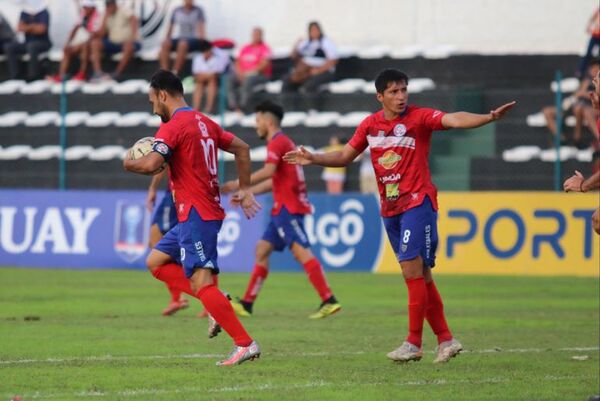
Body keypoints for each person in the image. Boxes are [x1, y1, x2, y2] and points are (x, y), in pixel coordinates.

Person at [284, 69, 516, 363]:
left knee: (410, 270)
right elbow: (344, 157)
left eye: (404, 90)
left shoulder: (419, 118)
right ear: (380, 96)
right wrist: (314, 158)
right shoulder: (370, 125)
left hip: (418, 202)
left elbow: (453, 118)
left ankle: (413, 342)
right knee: (421, 274)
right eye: (394, 92)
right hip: (389, 208)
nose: (401, 96)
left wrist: (489, 117)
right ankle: (445, 339)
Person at [124, 69, 261, 366]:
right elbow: (242, 148)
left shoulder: (173, 127)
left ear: (162, 95)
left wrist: (128, 162)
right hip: (199, 213)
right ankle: (216, 300)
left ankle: (244, 343)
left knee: (202, 283)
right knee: (156, 261)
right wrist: (245, 188)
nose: (153, 108)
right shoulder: (205, 121)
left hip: (197, 213)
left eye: (152, 101)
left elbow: (150, 164)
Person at [222, 100, 342, 319]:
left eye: (257, 121)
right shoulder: (282, 142)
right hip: (281, 208)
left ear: (268, 121)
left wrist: (241, 184)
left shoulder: (277, 142)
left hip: (289, 208)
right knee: (262, 249)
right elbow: (273, 181)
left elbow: (268, 171)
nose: (255, 126)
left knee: (300, 252)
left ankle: (329, 299)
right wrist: (247, 193)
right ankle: (247, 303)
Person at [146, 171, 188, 316]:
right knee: (164, 247)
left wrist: (152, 188)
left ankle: (178, 298)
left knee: (158, 245)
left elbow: (162, 163)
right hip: (182, 193)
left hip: (174, 193)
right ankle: (177, 298)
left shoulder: (172, 148)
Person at [542, 61, 600, 149]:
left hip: (589, 108)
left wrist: (584, 94)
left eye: (596, 69)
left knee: (580, 109)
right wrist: (570, 101)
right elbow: (576, 95)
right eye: (592, 69)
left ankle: (579, 139)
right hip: (574, 106)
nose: (594, 72)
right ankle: (561, 139)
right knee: (547, 111)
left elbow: (593, 97)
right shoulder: (586, 81)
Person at [48, 0, 101, 82]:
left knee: (85, 46)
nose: (85, 9)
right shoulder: (83, 16)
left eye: (86, 7)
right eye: (84, 7)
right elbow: (75, 28)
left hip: (90, 43)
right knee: (67, 49)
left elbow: (95, 34)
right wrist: (68, 42)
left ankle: (82, 73)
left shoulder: (97, 17)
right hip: (82, 42)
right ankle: (61, 74)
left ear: (92, 8)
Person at [282, 21, 338, 95]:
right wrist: (296, 44)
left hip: (322, 71)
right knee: (287, 81)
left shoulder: (326, 42)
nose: (314, 32)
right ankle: (289, 104)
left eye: (316, 30)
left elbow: (333, 60)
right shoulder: (306, 43)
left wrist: (318, 70)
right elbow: (293, 56)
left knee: (309, 85)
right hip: (304, 71)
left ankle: (311, 105)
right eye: (312, 30)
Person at [90, 0, 141, 81]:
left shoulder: (123, 10)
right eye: (107, 5)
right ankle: (98, 72)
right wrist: (105, 18)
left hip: (129, 42)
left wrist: (133, 37)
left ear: (114, 4)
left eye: (110, 4)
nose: (108, 7)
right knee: (95, 43)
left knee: (129, 46)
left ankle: (117, 73)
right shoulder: (106, 14)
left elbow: (133, 18)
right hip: (114, 43)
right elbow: (102, 33)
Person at [3, 1, 52, 81]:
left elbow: (41, 30)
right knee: (9, 47)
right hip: (28, 42)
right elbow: (19, 28)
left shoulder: (44, 12)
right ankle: (16, 76)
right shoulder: (24, 12)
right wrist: (33, 27)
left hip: (43, 42)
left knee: (32, 46)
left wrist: (27, 28)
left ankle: (33, 76)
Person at [228, 27, 272, 112]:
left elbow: (264, 65)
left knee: (248, 80)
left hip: (259, 75)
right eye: (254, 34)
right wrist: (239, 72)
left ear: (261, 36)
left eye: (258, 34)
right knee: (229, 79)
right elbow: (237, 62)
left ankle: (243, 106)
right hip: (243, 74)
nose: (256, 36)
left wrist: (248, 73)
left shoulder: (265, 48)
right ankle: (232, 106)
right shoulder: (245, 48)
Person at [159, 0, 206, 76]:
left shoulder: (198, 10)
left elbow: (201, 28)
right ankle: (165, 72)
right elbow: (170, 27)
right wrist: (167, 39)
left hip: (193, 39)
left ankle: (175, 72)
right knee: (165, 43)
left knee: (182, 44)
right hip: (180, 37)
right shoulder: (177, 10)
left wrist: (203, 44)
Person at [191, 39, 230, 113]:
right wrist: (206, 76)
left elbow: (217, 73)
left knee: (212, 82)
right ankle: (196, 108)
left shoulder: (219, 57)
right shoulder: (198, 58)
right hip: (203, 79)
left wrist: (205, 76)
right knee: (199, 83)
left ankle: (209, 108)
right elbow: (196, 75)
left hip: (217, 79)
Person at [576, 7, 600, 79]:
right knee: (588, 54)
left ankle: (596, 72)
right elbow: (593, 18)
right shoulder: (598, 10)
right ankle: (580, 71)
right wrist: (588, 26)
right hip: (595, 35)